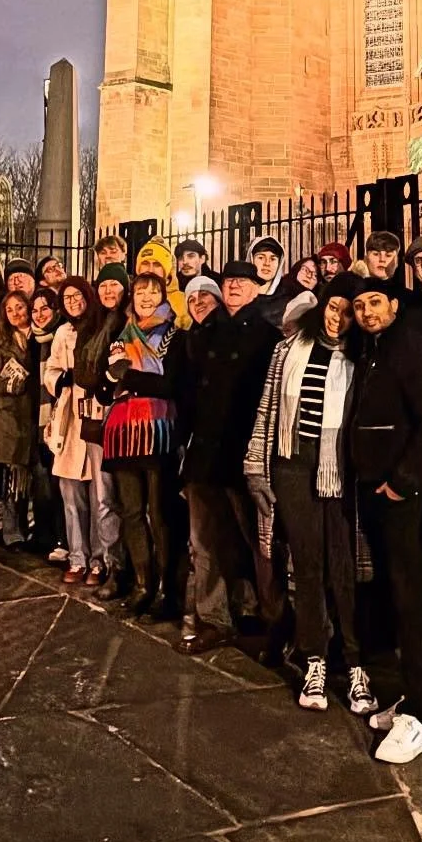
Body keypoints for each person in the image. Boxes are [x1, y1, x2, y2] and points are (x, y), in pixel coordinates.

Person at [247, 274, 376, 713]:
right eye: (332, 307)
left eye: (346, 311)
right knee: (305, 564)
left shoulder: (362, 357)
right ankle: (315, 658)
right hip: (292, 463)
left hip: (338, 470)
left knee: (343, 566)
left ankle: (356, 663)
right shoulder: (289, 349)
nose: (337, 318)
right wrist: (255, 466)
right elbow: (268, 408)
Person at [348, 276, 422, 764]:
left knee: (410, 597)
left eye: (375, 302)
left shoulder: (409, 345)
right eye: (360, 305)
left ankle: (418, 713)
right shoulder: (372, 349)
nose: (367, 311)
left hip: (402, 494)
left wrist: (404, 480)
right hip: (376, 489)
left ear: (393, 305)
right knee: (396, 592)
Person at [177, 263, 286, 659]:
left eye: (243, 282)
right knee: (205, 542)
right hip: (204, 455)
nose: (234, 287)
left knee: (259, 545)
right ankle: (215, 618)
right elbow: (190, 395)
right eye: (229, 282)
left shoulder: (269, 336)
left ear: (257, 289)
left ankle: (273, 621)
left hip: (243, 455)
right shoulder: (206, 333)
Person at [100, 268, 181, 616]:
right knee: (131, 511)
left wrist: (129, 377)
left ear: (163, 297)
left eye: (153, 293)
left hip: (158, 430)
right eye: (140, 293)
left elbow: (169, 384)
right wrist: (124, 378)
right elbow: (107, 382)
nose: (146, 299)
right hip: (122, 433)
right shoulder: (121, 334)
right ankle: (142, 582)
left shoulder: (174, 336)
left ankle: (166, 587)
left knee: (158, 512)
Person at [45, 275, 120, 587]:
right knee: (72, 495)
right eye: (68, 297)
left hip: (95, 414)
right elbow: (50, 369)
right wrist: (60, 380)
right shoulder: (62, 332)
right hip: (69, 419)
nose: (73, 301)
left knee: (101, 494)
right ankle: (78, 555)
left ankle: (101, 559)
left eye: (78, 295)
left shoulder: (102, 326)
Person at [0, 291, 38, 550]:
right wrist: (12, 384)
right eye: (10, 309)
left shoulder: (40, 335)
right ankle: (11, 531)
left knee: (30, 475)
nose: (17, 313)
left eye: (20, 307)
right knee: (12, 476)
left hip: (33, 413)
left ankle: (29, 528)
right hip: (8, 413)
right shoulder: (0, 341)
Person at [26, 288, 66, 557]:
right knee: (42, 481)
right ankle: (45, 534)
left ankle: (62, 539)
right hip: (36, 420)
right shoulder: (32, 338)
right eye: (35, 310)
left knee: (59, 484)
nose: (39, 315)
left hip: (58, 418)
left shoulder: (61, 335)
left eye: (45, 309)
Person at [134, 237, 188, 328]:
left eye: (157, 265)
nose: (150, 270)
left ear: (167, 270)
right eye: (145, 263)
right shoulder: (130, 301)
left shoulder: (183, 303)